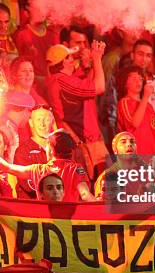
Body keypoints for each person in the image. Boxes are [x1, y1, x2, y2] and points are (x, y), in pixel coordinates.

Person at [46, 42, 108, 178]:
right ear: (62, 63)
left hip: (89, 142)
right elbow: (99, 87)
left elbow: (88, 84)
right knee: (97, 187)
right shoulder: (60, 80)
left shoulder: (65, 80)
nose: (73, 59)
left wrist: (92, 62)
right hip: (84, 145)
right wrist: (97, 58)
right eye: (68, 57)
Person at [0, 129, 94, 202]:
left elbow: (7, 167)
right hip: (68, 224)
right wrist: (101, 208)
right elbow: (85, 195)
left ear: (50, 150)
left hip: (45, 226)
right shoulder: (77, 168)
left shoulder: (38, 170)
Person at [116, 65, 155, 155]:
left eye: (140, 79)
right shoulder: (124, 102)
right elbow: (135, 123)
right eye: (134, 78)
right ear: (125, 83)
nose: (138, 82)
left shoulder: (148, 106)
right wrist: (145, 96)